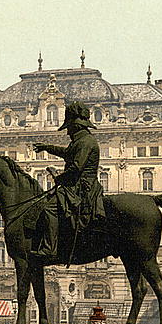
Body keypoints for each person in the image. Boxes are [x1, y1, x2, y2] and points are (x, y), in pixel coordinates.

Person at [31, 101, 106, 260]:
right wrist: (47, 147)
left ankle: (49, 249)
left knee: (49, 208)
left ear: (75, 126)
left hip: (81, 187)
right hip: (77, 184)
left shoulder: (85, 142)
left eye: (68, 127)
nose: (67, 132)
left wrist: (59, 178)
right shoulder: (81, 140)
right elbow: (67, 153)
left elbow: (76, 168)